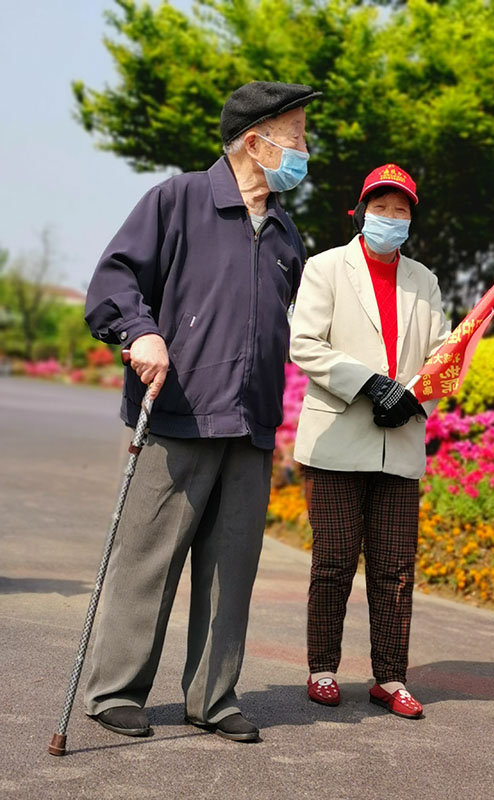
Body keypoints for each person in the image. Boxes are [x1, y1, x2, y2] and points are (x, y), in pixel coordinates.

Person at [83, 80, 321, 743]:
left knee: (231, 569)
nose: (304, 150)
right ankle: (115, 690)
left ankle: (212, 698)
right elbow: (113, 280)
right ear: (255, 141)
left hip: (250, 424)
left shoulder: (285, 233)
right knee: (148, 560)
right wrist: (140, 331)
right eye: (296, 136)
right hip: (179, 414)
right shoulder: (179, 199)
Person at [290, 164, 450, 718]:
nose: (390, 217)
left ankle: (390, 677)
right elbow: (305, 344)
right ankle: (322, 668)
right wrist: (370, 384)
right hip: (337, 440)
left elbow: (443, 359)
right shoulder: (325, 267)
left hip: (399, 444)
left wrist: (414, 399)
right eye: (380, 208)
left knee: (395, 570)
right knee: (334, 562)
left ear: (411, 220)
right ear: (360, 212)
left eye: (400, 210)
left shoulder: (425, 282)